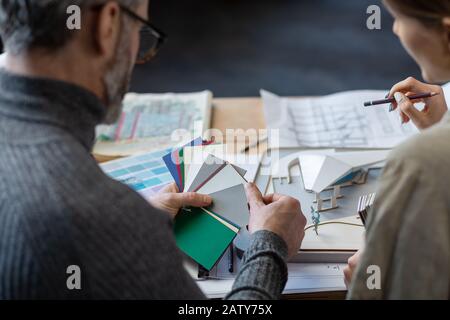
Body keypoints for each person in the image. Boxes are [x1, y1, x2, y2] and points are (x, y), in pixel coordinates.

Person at [0, 0, 306, 299]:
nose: (138, 51)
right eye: (140, 30)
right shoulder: (93, 216)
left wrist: (131, 228)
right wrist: (270, 245)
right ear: (108, 24)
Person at [344, 0, 450, 299]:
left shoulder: (417, 162)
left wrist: (373, 278)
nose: (394, 29)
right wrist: (439, 130)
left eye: (399, 18)